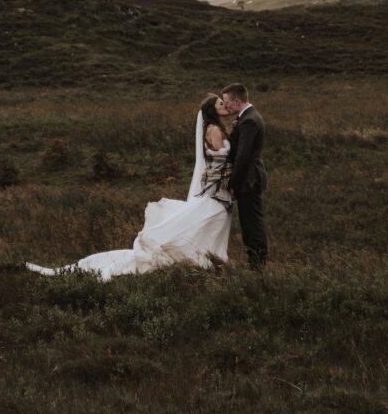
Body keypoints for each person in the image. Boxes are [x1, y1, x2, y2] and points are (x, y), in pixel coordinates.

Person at [26, 95, 232, 281]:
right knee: (204, 223)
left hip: (218, 191)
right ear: (212, 109)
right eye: (220, 103)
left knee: (204, 225)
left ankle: (207, 261)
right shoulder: (214, 130)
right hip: (216, 190)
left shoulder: (214, 128)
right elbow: (221, 160)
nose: (224, 105)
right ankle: (202, 261)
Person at [222, 83, 268, 271]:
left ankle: (257, 263)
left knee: (252, 223)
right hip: (248, 178)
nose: (225, 106)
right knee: (249, 222)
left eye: (227, 102)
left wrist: (233, 183)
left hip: (249, 179)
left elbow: (243, 156)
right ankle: (255, 261)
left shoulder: (249, 120)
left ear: (237, 101)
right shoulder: (248, 117)